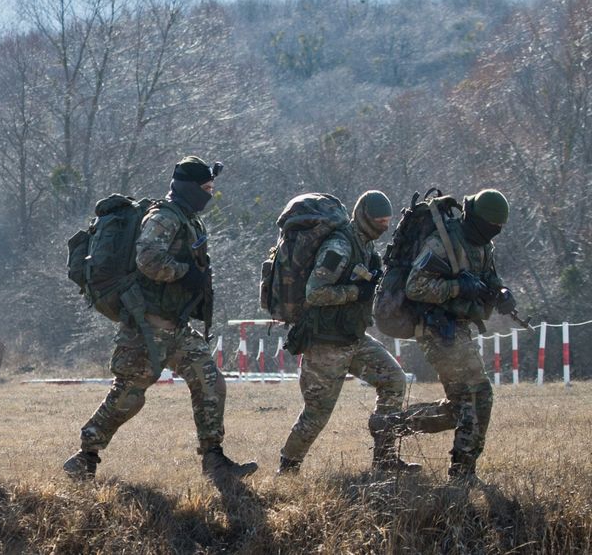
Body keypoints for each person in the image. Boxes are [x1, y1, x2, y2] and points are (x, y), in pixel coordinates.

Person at [64, 157, 257, 481]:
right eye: (206, 189)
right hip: (146, 326)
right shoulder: (163, 217)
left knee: (210, 381)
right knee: (128, 396)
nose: (209, 195)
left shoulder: (189, 218)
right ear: (188, 188)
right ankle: (85, 457)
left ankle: (214, 460)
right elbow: (147, 259)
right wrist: (184, 274)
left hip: (175, 327)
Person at [277, 190, 418, 474]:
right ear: (365, 217)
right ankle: (288, 468)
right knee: (316, 414)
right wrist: (356, 292)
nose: (384, 226)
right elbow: (314, 293)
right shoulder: (339, 247)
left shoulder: (366, 247)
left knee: (393, 381)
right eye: (379, 220)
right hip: (326, 343)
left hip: (352, 338)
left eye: (387, 221)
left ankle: (385, 458)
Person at [379, 189, 513, 483]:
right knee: (475, 397)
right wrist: (457, 288)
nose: (494, 234)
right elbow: (416, 287)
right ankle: (463, 473)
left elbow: (490, 278)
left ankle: (390, 425)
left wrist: (502, 293)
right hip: (436, 329)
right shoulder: (441, 243)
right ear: (477, 220)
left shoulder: (482, 246)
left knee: (460, 408)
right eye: (492, 228)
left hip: (458, 329)